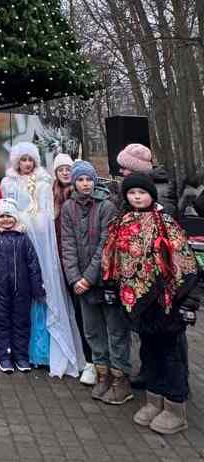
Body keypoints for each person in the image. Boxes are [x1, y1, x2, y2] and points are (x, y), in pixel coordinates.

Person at [103, 174, 200, 435]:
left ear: (151, 195)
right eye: (132, 192)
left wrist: (189, 301)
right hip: (138, 303)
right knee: (149, 353)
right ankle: (154, 399)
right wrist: (111, 286)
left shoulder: (165, 222)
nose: (137, 197)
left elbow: (187, 262)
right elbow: (112, 256)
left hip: (167, 301)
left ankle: (175, 407)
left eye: (142, 193)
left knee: (171, 355)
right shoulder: (121, 222)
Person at [1, 142, 83, 378]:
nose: (27, 164)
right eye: (23, 160)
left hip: (42, 243)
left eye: (30, 160)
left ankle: (45, 351)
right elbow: (8, 212)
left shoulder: (44, 183)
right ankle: (22, 350)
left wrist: (36, 223)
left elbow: (48, 214)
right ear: (17, 162)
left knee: (45, 289)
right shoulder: (8, 183)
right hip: (20, 242)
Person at [60, 160, 131, 403]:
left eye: (89, 179)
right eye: (80, 180)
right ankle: (102, 374)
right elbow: (68, 244)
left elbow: (105, 245)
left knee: (115, 330)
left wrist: (88, 278)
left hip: (104, 280)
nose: (85, 184)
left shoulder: (106, 206)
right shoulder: (69, 207)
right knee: (92, 331)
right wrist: (74, 278)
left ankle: (120, 377)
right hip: (81, 281)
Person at [0, 199, 45, 373]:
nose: (6, 220)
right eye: (2, 216)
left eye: (9, 216)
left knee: (21, 323)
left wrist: (37, 288)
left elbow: (33, 265)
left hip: (22, 291)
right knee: (2, 323)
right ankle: (5, 356)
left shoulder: (24, 239)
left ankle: (21, 356)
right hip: (0, 291)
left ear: (16, 218)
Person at [51, 152, 95, 385]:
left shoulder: (83, 201)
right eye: (61, 169)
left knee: (85, 312)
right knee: (71, 309)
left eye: (69, 169)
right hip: (61, 260)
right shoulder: (52, 195)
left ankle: (91, 359)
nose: (65, 173)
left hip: (82, 263)